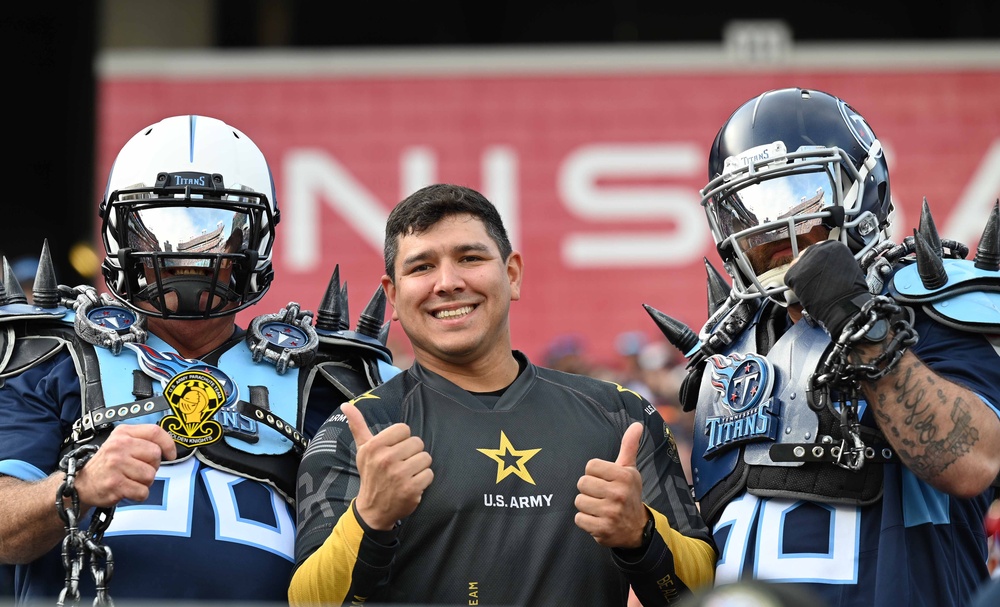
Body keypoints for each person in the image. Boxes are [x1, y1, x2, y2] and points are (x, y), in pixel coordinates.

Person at [0, 115, 397, 605]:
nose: (186, 256)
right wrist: (79, 484)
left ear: (252, 243)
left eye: (215, 229)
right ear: (125, 240)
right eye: (161, 229)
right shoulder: (56, 360)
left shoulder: (324, 380)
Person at [646, 87, 1000, 606]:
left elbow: (970, 461)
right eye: (749, 209)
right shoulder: (728, 356)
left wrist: (862, 325)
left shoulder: (934, 309)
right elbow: (714, 568)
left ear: (863, 188)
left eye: (799, 198)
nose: (774, 227)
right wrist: (640, 542)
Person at [289, 183, 717, 606]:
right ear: (394, 298)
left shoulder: (620, 413)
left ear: (511, 274)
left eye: (469, 258)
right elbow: (305, 601)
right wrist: (370, 517)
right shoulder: (358, 430)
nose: (448, 282)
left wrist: (641, 533)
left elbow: (702, 591)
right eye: (421, 267)